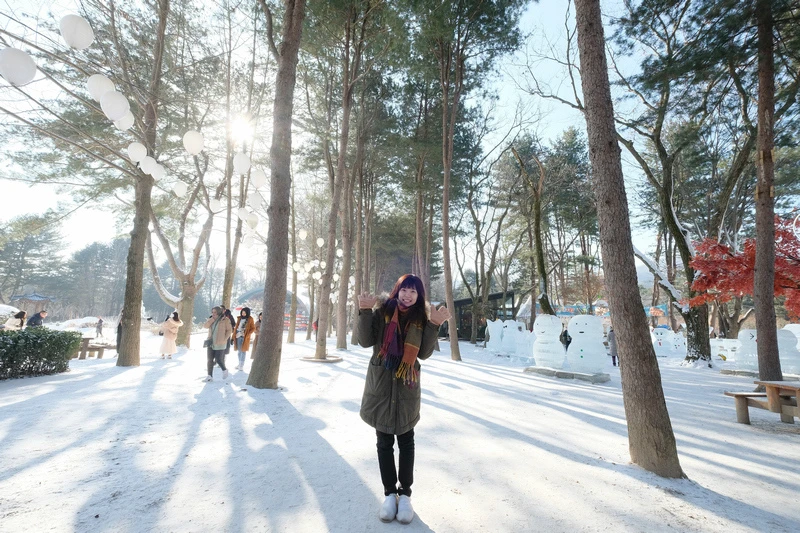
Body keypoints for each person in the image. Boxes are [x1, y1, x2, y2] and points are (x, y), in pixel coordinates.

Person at [357, 274, 451, 525]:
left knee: (407, 441)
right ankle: (389, 494)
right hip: (381, 385)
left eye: (413, 291)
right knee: (384, 441)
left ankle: (405, 495)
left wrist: (434, 325)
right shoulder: (382, 312)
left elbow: (425, 353)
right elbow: (365, 341)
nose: (408, 295)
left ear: (419, 296)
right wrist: (364, 312)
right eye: (404, 289)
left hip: (407, 386)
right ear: (397, 290)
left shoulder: (422, 318)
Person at [203, 306, 232, 381]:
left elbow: (229, 330)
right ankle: (209, 376)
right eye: (212, 312)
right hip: (211, 342)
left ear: (219, 312)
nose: (213, 313)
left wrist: (225, 338)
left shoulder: (225, 320)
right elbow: (205, 326)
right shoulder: (211, 319)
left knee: (218, 359)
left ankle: (224, 370)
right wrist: (212, 319)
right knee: (210, 360)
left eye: (215, 312)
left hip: (220, 343)